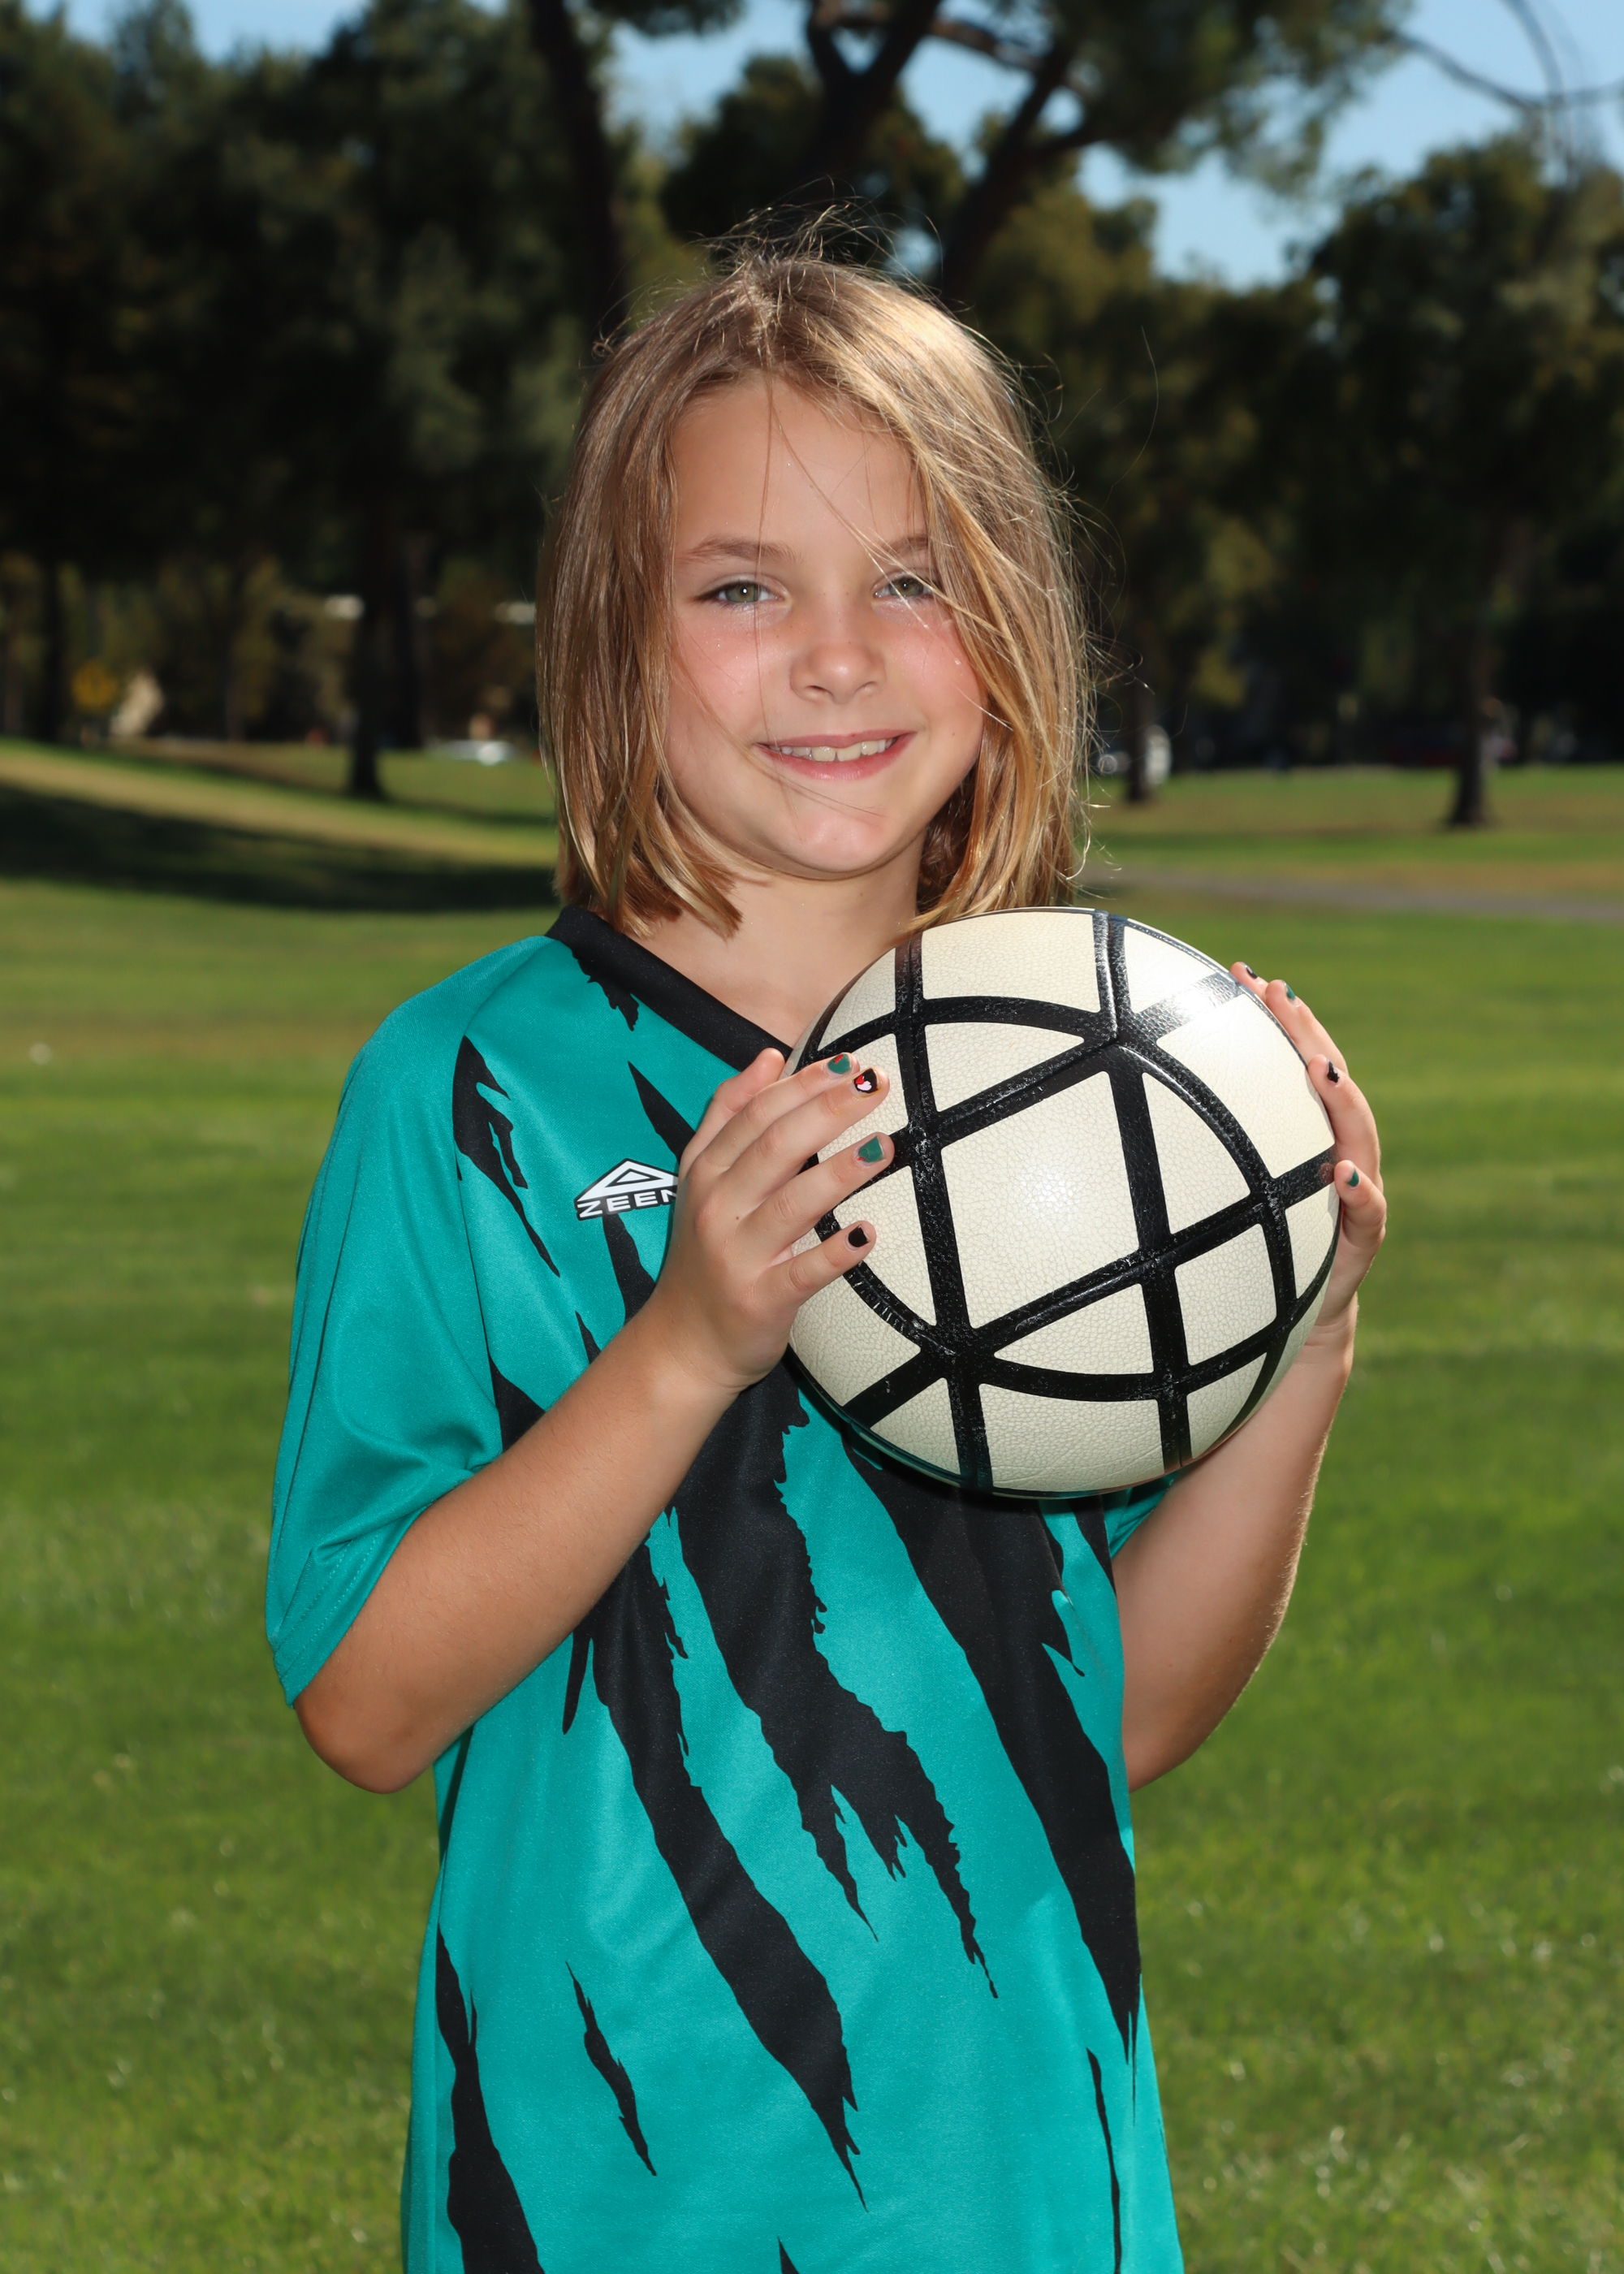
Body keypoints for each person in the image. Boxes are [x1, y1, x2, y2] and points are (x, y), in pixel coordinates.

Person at [267, 250, 1386, 2273]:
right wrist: (685, 1344)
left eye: (913, 577)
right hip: (604, 2184)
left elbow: (1117, 1711)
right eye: (740, 587)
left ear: (1010, 621)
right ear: (615, 630)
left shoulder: (1099, 1088)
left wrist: (1295, 1336)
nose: (839, 656)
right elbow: (364, 1696)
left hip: (1020, 2178)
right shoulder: (471, 1090)